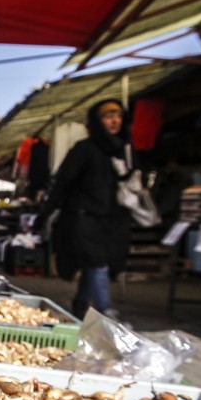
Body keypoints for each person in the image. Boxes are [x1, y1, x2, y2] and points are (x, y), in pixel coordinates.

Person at [35, 99, 132, 319]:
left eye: (117, 114)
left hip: (112, 222)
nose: (114, 120)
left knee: (96, 266)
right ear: (96, 122)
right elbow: (63, 183)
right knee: (97, 264)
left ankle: (80, 306)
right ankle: (107, 315)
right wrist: (46, 212)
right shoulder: (84, 150)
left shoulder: (123, 151)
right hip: (83, 219)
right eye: (107, 116)